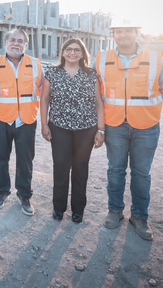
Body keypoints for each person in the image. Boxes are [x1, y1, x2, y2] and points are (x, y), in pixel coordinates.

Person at [95, 19, 163, 241]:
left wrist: (145, 109)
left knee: (141, 173)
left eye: (128, 31)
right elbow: (95, 91)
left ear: (137, 33)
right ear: (113, 35)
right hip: (115, 126)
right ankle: (115, 211)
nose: (123, 35)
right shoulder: (102, 59)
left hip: (146, 127)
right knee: (115, 170)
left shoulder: (155, 59)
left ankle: (140, 217)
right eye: (118, 31)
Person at [40, 38, 105, 224]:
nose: (72, 53)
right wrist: (44, 124)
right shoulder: (53, 73)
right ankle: (58, 208)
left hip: (86, 129)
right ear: (63, 52)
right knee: (61, 167)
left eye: (77, 50)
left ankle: (78, 210)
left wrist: (101, 130)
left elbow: (99, 103)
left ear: (83, 54)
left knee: (80, 168)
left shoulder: (91, 75)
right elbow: (44, 100)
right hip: (59, 128)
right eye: (69, 49)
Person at [0, 28, 43, 215]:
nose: (16, 43)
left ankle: (24, 195)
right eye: (12, 40)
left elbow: (42, 90)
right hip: (1, 119)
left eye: (20, 41)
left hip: (26, 120)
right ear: (6, 43)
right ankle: (2, 191)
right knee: (1, 158)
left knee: (25, 160)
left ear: (26, 45)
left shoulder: (36, 64)